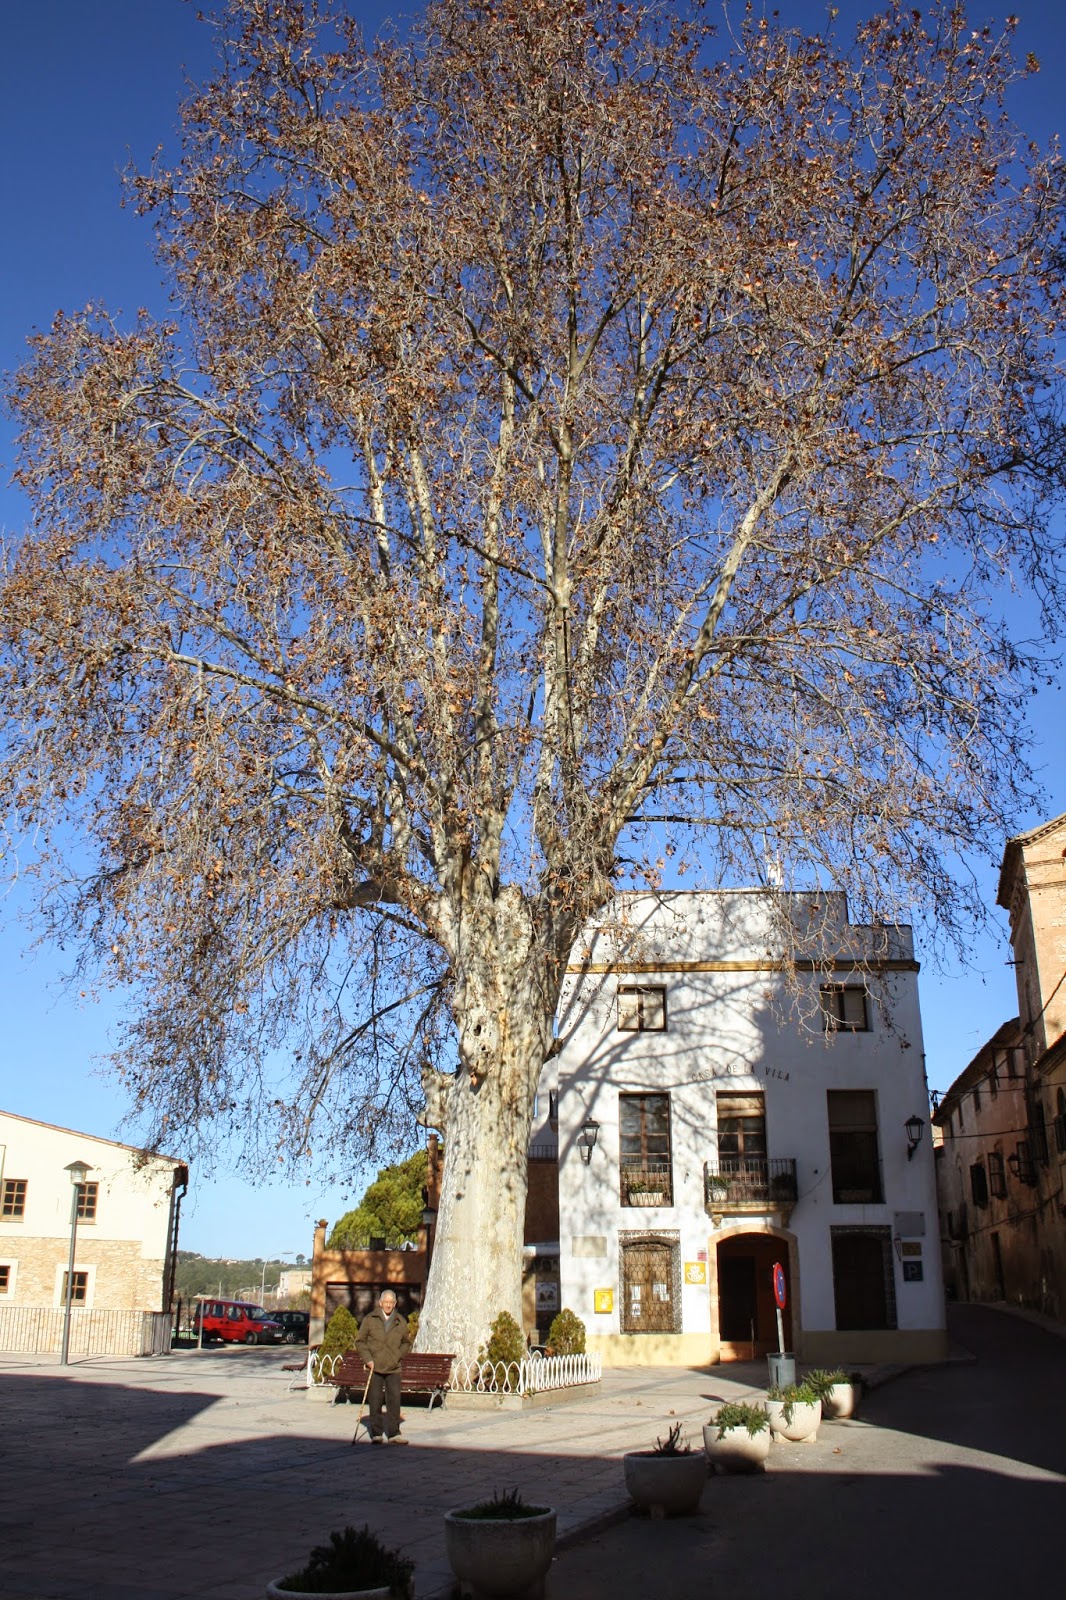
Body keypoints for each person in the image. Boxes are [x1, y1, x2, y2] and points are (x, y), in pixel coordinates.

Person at [355, 1288, 413, 1444]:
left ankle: (394, 1433)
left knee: (394, 1400)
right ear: (380, 1303)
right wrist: (368, 1360)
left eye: (391, 1302)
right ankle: (376, 1433)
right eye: (385, 1302)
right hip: (375, 1366)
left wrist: (398, 1356)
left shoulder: (400, 1321)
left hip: (394, 1367)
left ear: (395, 1304)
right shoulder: (370, 1319)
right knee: (375, 1400)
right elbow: (360, 1341)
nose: (388, 1305)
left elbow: (406, 1343)